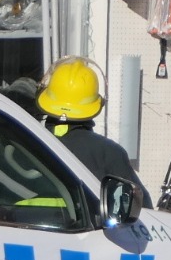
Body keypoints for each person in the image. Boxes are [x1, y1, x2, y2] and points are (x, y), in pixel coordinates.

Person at [36, 57, 152, 208]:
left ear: (45, 96)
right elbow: (143, 210)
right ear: (97, 103)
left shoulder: (22, 143)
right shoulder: (109, 153)